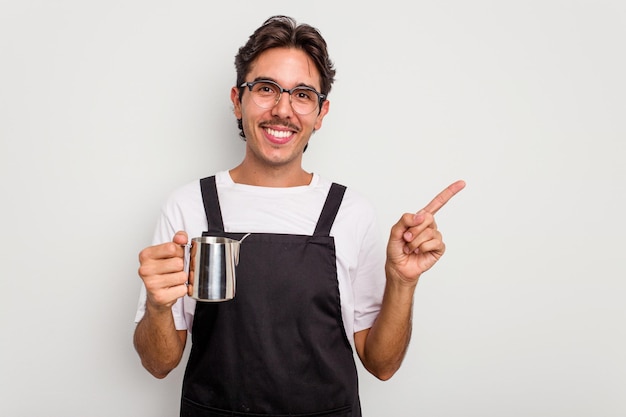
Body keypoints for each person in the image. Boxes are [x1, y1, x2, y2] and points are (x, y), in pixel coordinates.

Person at [133, 15, 465, 417]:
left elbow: (382, 365)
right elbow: (159, 364)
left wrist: (401, 281)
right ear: (238, 100)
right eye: (266, 88)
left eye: (303, 94)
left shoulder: (350, 212)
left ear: (321, 113)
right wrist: (156, 306)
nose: (282, 109)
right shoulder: (189, 206)